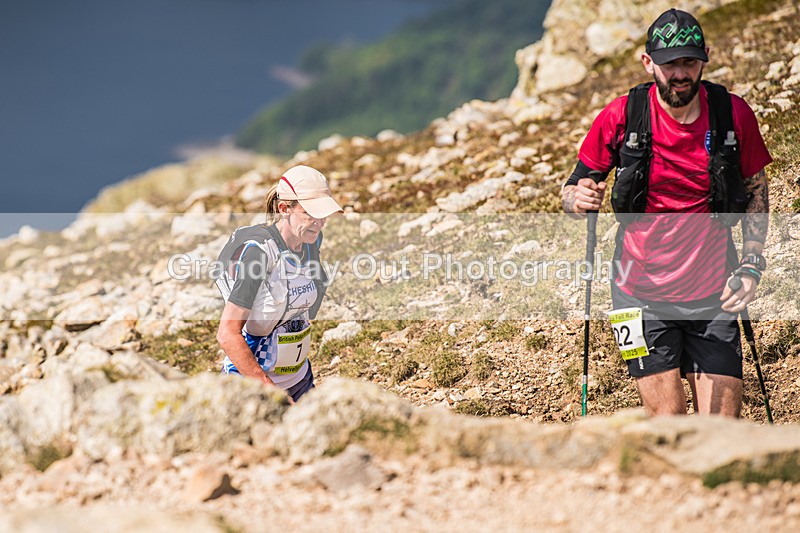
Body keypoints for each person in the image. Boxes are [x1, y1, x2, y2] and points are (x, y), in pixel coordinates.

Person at [561, 9, 771, 417]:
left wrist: (752, 263)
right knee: (667, 425)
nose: (680, 74)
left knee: (721, 432)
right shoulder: (622, 116)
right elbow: (574, 186)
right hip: (636, 295)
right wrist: (577, 200)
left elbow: (756, 189)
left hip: (716, 294)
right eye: (669, 63)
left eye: (689, 62)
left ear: (705, 57)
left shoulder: (732, 114)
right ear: (648, 62)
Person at [215, 165, 343, 403]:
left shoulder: (311, 240)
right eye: (310, 213)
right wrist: (273, 394)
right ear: (285, 208)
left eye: (323, 214)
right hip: (252, 390)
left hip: (301, 379)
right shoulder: (258, 255)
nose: (320, 222)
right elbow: (227, 334)